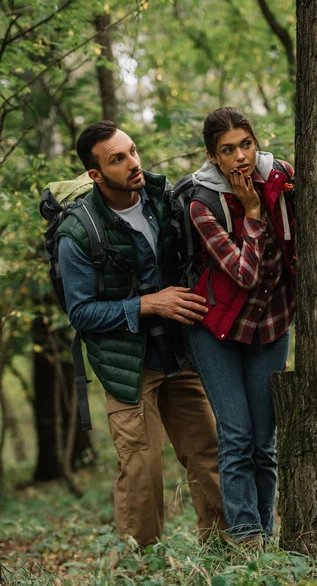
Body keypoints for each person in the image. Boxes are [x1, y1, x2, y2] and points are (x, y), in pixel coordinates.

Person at [57, 120, 227, 547]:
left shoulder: (163, 199)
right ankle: (140, 567)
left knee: (209, 454)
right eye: (118, 159)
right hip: (126, 368)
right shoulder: (78, 232)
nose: (133, 163)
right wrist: (149, 304)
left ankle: (224, 553)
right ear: (95, 175)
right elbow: (81, 313)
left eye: (132, 150)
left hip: (178, 354)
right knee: (141, 470)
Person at [185, 107, 296, 546]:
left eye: (245, 144)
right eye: (227, 151)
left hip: (271, 323)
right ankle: (247, 537)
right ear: (213, 157)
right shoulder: (202, 202)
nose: (239, 158)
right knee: (236, 435)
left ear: (256, 140)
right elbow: (244, 274)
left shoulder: (282, 178)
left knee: (263, 443)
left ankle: (264, 535)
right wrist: (251, 212)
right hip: (218, 330)